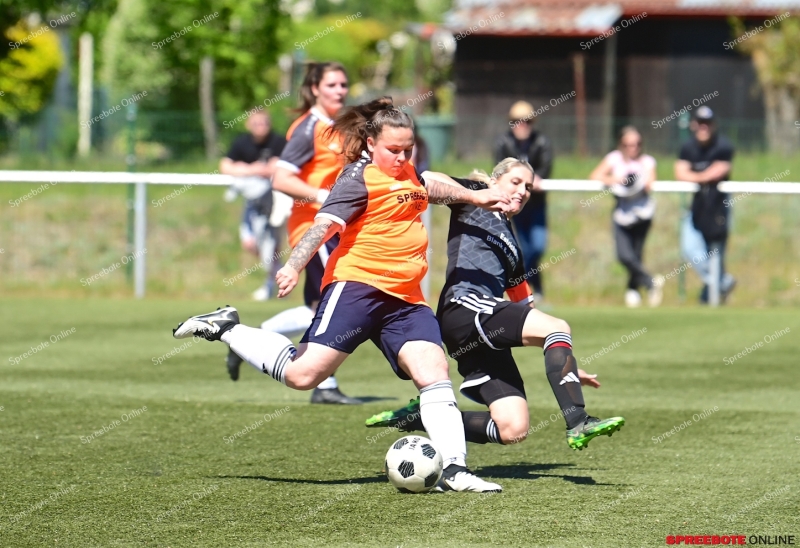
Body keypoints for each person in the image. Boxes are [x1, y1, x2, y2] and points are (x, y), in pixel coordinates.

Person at [173, 97, 511, 492]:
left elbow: (428, 185)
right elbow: (323, 227)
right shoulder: (357, 179)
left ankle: (454, 469)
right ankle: (227, 327)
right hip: (358, 288)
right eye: (394, 150)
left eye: (408, 149)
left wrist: (473, 196)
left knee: (434, 372)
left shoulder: (408, 173)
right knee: (303, 375)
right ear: (371, 144)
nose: (402, 157)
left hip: (405, 300)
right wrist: (293, 265)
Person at [365, 158, 625, 450]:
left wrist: (565, 364)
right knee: (558, 326)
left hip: (482, 328)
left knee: (513, 428)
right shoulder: (474, 196)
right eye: (515, 182)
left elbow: (527, 307)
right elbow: (426, 178)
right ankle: (578, 421)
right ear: (494, 180)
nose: (522, 191)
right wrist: (475, 194)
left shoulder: (513, 246)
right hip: (463, 305)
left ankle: (424, 415)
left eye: (527, 186)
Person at [225, 62, 359, 404]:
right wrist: (321, 196)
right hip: (315, 226)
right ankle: (324, 386)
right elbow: (281, 179)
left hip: (333, 225)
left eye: (343, 84)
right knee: (332, 303)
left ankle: (251, 339)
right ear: (315, 88)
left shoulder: (338, 126)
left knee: (319, 307)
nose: (340, 91)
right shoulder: (307, 128)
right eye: (332, 85)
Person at [590, 126, 663, 308]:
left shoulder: (647, 161)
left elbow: (650, 183)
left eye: (637, 144)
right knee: (624, 256)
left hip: (642, 214)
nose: (633, 148)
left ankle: (633, 292)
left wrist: (638, 183)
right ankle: (650, 282)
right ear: (621, 145)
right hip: (622, 214)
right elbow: (595, 176)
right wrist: (617, 180)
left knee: (636, 255)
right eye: (628, 144)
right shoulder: (614, 159)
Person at [221, 110, 288, 302]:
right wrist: (253, 170)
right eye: (257, 123)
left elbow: (278, 167)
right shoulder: (241, 142)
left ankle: (274, 285)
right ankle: (273, 278)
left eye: (265, 123)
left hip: (272, 204)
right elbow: (226, 166)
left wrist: (247, 170)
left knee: (272, 247)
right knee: (251, 243)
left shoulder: (277, 142)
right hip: (250, 205)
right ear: (249, 125)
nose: (261, 127)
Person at [674, 106, 736, 304]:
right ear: (694, 125)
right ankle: (722, 282)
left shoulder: (723, 146)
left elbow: (719, 170)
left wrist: (695, 177)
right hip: (697, 207)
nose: (704, 128)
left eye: (707, 124)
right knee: (690, 249)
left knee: (716, 251)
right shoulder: (687, 148)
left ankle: (714, 293)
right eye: (700, 123)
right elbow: (680, 173)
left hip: (719, 207)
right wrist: (701, 177)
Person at [494, 101, 553, 302]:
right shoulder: (503, 142)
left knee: (537, 247)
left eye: (526, 121)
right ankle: (531, 290)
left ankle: (524, 287)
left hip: (535, 203)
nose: (522, 125)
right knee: (522, 249)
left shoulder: (541, 142)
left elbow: (546, 167)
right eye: (517, 121)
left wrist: (536, 179)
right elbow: (499, 169)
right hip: (514, 205)